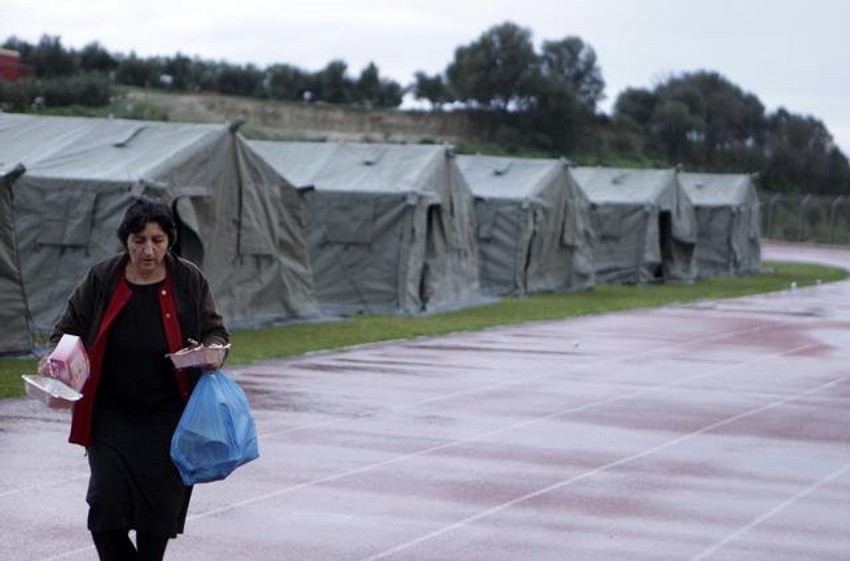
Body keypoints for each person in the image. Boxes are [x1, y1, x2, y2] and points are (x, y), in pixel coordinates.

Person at [39, 196, 229, 561]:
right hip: (110, 415)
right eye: (139, 240)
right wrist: (52, 358)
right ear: (125, 241)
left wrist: (212, 353)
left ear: (169, 240)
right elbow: (67, 329)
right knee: (105, 513)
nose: (148, 250)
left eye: (157, 240)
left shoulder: (188, 278)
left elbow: (215, 331)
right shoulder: (103, 278)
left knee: (154, 523)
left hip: (171, 418)